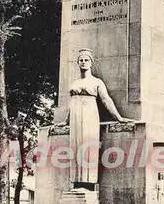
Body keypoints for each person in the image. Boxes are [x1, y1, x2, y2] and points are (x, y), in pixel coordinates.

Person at [56, 48, 131, 188]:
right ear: (78, 63)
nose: (83, 63)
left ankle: (88, 183)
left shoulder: (97, 82)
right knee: (76, 147)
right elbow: (72, 104)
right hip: (75, 118)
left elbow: (106, 100)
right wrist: (65, 121)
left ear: (91, 63)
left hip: (89, 115)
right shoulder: (75, 83)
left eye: (86, 60)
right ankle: (76, 182)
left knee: (88, 146)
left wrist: (119, 118)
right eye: (81, 60)